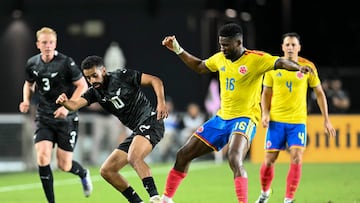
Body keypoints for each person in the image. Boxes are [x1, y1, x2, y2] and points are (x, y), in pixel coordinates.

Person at [160, 22, 312, 203]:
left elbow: (280, 62)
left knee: (234, 157)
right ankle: (166, 199)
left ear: (239, 43)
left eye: (226, 45)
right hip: (221, 119)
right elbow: (200, 66)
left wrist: (297, 67)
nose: (222, 48)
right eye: (220, 44)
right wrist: (177, 49)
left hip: (245, 118)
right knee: (183, 154)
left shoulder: (256, 59)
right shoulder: (220, 58)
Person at [56, 55, 168, 203]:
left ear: (103, 70)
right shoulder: (94, 92)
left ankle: (155, 199)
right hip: (137, 131)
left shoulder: (122, 76)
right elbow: (75, 105)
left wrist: (161, 102)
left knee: (134, 157)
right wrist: (65, 103)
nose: (92, 80)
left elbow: (156, 80)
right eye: (88, 78)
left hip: (151, 121)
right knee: (107, 170)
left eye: (95, 75)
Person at [255, 32, 337, 203]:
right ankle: (264, 193)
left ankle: (288, 199)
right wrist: (265, 113)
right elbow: (266, 93)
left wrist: (326, 119)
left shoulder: (308, 67)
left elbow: (320, 93)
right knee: (269, 160)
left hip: (298, 121)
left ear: (299, 48)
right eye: (287, 45)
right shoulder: (273, 67)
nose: (290, 47)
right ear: (282, 47)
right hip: (276, 121)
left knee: (297, 157)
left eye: (294, 45)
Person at [18, 27, 92, 203]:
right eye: (44, 42)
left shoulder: (66, 63)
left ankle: (83, 172)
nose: (48, 46)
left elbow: (83, 85)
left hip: (66, 119)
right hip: (44, 117)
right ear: (38, 44)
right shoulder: (32, 63)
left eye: (51, 42)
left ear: (55, 43)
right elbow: (28, 84)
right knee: (43, 157)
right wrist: (26, 101)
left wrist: (67, 108)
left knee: (64, 165)